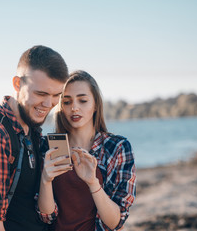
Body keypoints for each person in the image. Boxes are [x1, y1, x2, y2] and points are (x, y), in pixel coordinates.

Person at [0, 45, 69, 231]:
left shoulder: (32, 131)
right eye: (41, 94)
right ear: (17, 84)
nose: (48, 104)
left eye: (55, 96)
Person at [37, 70, 136, 231]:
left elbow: (115, 222)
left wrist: (93, 182)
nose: (74, 108)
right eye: (67, 102)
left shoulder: (117, 147)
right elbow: (46, 217)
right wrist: (46, 180)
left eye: (82, 100)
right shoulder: (46, 146)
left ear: (95, 104)